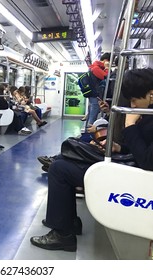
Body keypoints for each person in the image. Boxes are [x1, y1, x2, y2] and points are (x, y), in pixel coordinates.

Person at [30, 68, 153, 252]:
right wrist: (120, 148)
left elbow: (148, 162)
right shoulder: (147, 115)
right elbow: (141, 150)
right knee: (63, 160)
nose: (132, 105)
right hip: (129, 166)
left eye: (135, 100)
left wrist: (129, 126)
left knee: (59, 169)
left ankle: (63, 235)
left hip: (136, 179)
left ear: (151, 95)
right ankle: (68, 222)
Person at [85, 52, 110, 127]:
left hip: (93, 95)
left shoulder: (94, 67)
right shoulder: (96, 68)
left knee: (90, 115)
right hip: (95, 95)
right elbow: (106, 76)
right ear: (106, 60)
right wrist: (107, 68)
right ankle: (89, 135)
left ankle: (86, 133)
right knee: (93, 116)